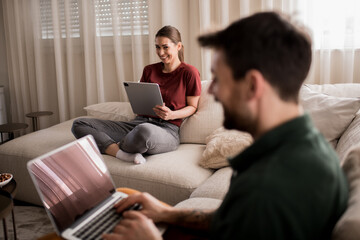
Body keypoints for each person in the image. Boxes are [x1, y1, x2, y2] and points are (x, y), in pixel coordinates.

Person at [102, 11, 349, 240]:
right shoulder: (286, 146)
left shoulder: (275, 182)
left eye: (219, 79)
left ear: (253, 85)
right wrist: (166, 213)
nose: (215, 94)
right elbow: (236, 221)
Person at [72, 26, 201, 164]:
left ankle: (110, 142)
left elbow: (193, 107)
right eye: (157, 47)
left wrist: (172, 115)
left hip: (166, 130)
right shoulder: (149, 70)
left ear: (178, 46)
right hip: (137, 124)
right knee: (79, 124)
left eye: (165, 47)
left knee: (144, 132)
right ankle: (119, 153)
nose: (161, 52)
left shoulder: (189, 72)